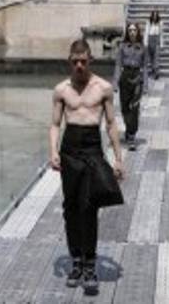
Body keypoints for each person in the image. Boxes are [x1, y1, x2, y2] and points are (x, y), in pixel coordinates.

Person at [49, 38, 124, 295]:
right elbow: (55, 124)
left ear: (90, 60)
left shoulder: (103, 88)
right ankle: (76, 262)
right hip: (69, 151)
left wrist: (118, 158)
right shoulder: (61, 90)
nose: (79, 65)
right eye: (75, 61)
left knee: (89, 206)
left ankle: (90, 264)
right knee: (71, 207)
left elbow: (112, 124)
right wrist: (52, 151)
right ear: (69, 61)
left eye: (83, 61)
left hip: (92, 147)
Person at [114, 23, 148, 150]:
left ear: (138, 32)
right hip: (125, 77)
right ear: (127, 32)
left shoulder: (143, 48)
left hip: (137, 77)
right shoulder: (122, 47)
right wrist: (115, 83)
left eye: (134, 30)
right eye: (130, 30)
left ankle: (132, 135)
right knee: (124, 107)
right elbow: (118, 65)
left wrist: (145, 86)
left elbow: (145, 67)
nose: (132, 32)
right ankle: (129, 129)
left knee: (134, 107)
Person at [145, 9, 162, 79]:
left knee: (156, 58)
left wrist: (161, 43)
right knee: (151, 57)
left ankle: (156, 73)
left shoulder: (160, 23)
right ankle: (152, 70)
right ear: (152, 16)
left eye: (156, 15)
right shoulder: (149, 22)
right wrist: (145, 42)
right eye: (153, 15)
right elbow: (146, 32)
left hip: (156, 39)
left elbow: (161, 33)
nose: (154, 16)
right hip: (150, 39)